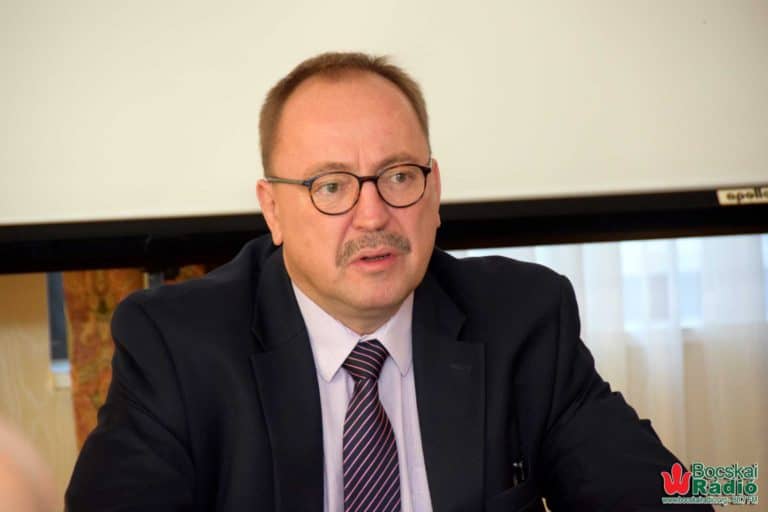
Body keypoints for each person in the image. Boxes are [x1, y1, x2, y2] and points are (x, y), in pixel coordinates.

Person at [66, 52, 712, 511]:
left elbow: (661, 491)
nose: (373, 215)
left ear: (434, 190)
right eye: (331, 186)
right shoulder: (179, 346)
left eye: (399, 176)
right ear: (273, 210)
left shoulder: (522, 319)